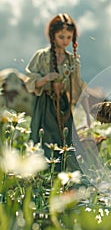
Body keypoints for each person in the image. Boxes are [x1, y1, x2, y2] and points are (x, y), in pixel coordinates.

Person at [24, 13, 91, 172]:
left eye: (69, 37)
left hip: (63, 106)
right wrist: (46, 78)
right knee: (44, 139)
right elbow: (30, 82)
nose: (65, 41)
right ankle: (42, 175)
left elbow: (77, 88)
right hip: (45, 105)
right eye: (61, 36)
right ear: (52, 35)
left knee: (66, 141)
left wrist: (87, 112)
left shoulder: (71, 60)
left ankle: (65, 177)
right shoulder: (42, 56)